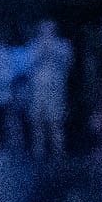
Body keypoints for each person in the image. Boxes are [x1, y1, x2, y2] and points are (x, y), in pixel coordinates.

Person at [26, 19, 73, 160]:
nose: (47, 30)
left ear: (55, 28)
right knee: (37, 121)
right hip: (37, 90)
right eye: (44, 27)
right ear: (40, 29)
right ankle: (39, 151)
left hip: (55, 90)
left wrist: (53, 52)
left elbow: (68, 64)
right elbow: (28, 66)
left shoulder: (63, 45)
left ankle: (59, 152)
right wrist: (41, 52)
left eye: (50, 27)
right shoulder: (33, 45)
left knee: (56, 121)